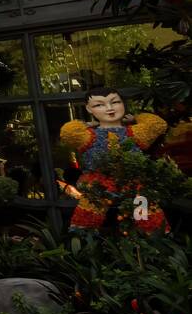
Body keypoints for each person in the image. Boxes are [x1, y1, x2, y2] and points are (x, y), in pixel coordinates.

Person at [58, 87, 167, 235]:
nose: (109, 108)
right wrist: (85, 125)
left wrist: (135, 118)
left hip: (133, 183)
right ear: (89, 109)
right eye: (99, 105)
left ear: (123, 104)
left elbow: (156, 124)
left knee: (146, 214)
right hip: (98, 185)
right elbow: (68, 133)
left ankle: (153, 240)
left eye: (115, 102)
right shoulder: (88, 136)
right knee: (87, 216)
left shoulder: (134, 132)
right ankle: (84, 241)